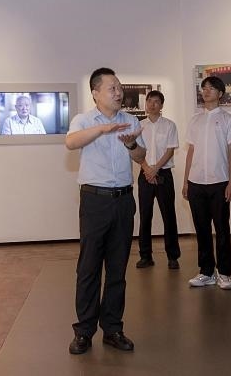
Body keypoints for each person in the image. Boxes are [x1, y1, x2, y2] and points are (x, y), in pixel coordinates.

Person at [65, 67, 145, 356]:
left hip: (123, 200)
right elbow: (71, 142)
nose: (119, 92)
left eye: (120, 87)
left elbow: (141, 156)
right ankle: (84, 331)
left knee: (117, 268)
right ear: (95, 92)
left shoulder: (130, 121)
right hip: (94, 201)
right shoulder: (83, 120)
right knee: (88, 268)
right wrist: (102, 129)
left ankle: (112, 329)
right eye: (112, 88)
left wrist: (132, 143)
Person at [184, 75, 231, 290]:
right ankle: (206, 271)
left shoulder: (227, 119)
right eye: (204, 88)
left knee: (222, 229)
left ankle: (224, 272)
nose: (206, 91)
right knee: (201, 229)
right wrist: (186, 181)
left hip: (220, 181)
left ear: (220, 93)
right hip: (196, 182)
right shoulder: (195, 120)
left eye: (211, 88)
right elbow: (191, 151)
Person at [134, 89, 180, 270]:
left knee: (169, 215)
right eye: (149, 101)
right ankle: (145, 256)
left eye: (156, 101)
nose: (152, 104)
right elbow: (135, 151)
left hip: (163, 174)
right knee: (145, 215)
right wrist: (147, 169)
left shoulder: (169, 125)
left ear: (161, 105)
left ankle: (173, 256)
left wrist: (156, 169)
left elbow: (170, 150)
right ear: (145, 104)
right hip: (145, 174)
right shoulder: (139, 126)